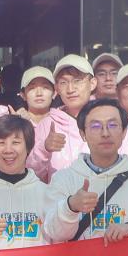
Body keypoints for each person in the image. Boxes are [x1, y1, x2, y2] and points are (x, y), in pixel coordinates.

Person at [46, 99, 128, 243]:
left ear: (124, 132)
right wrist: (70, 206)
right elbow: (53, 234)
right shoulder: (63, 179)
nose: (105, 133)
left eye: (112, 125)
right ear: (83, 134)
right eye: (95, 126)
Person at [0, 114, 60, 249]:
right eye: (1, 143)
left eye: (15, 142)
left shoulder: (46, 193)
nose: (8, 150)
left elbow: (60, 237)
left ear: (28, 148)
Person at [27, 54, 96, 182]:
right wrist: (44, 149)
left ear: (92, 83)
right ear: (57, 89)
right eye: (63, 82)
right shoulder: (47, 125)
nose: (70, 89)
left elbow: (126, 168)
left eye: (77, 81)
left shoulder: (109, 119)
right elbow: (30, 175)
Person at [15, 65, 56, 129]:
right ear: (23, 95)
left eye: (45, 87)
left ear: (54, 93)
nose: (39, 93)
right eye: (32, 88)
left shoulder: (63, 121)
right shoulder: (17, 123)